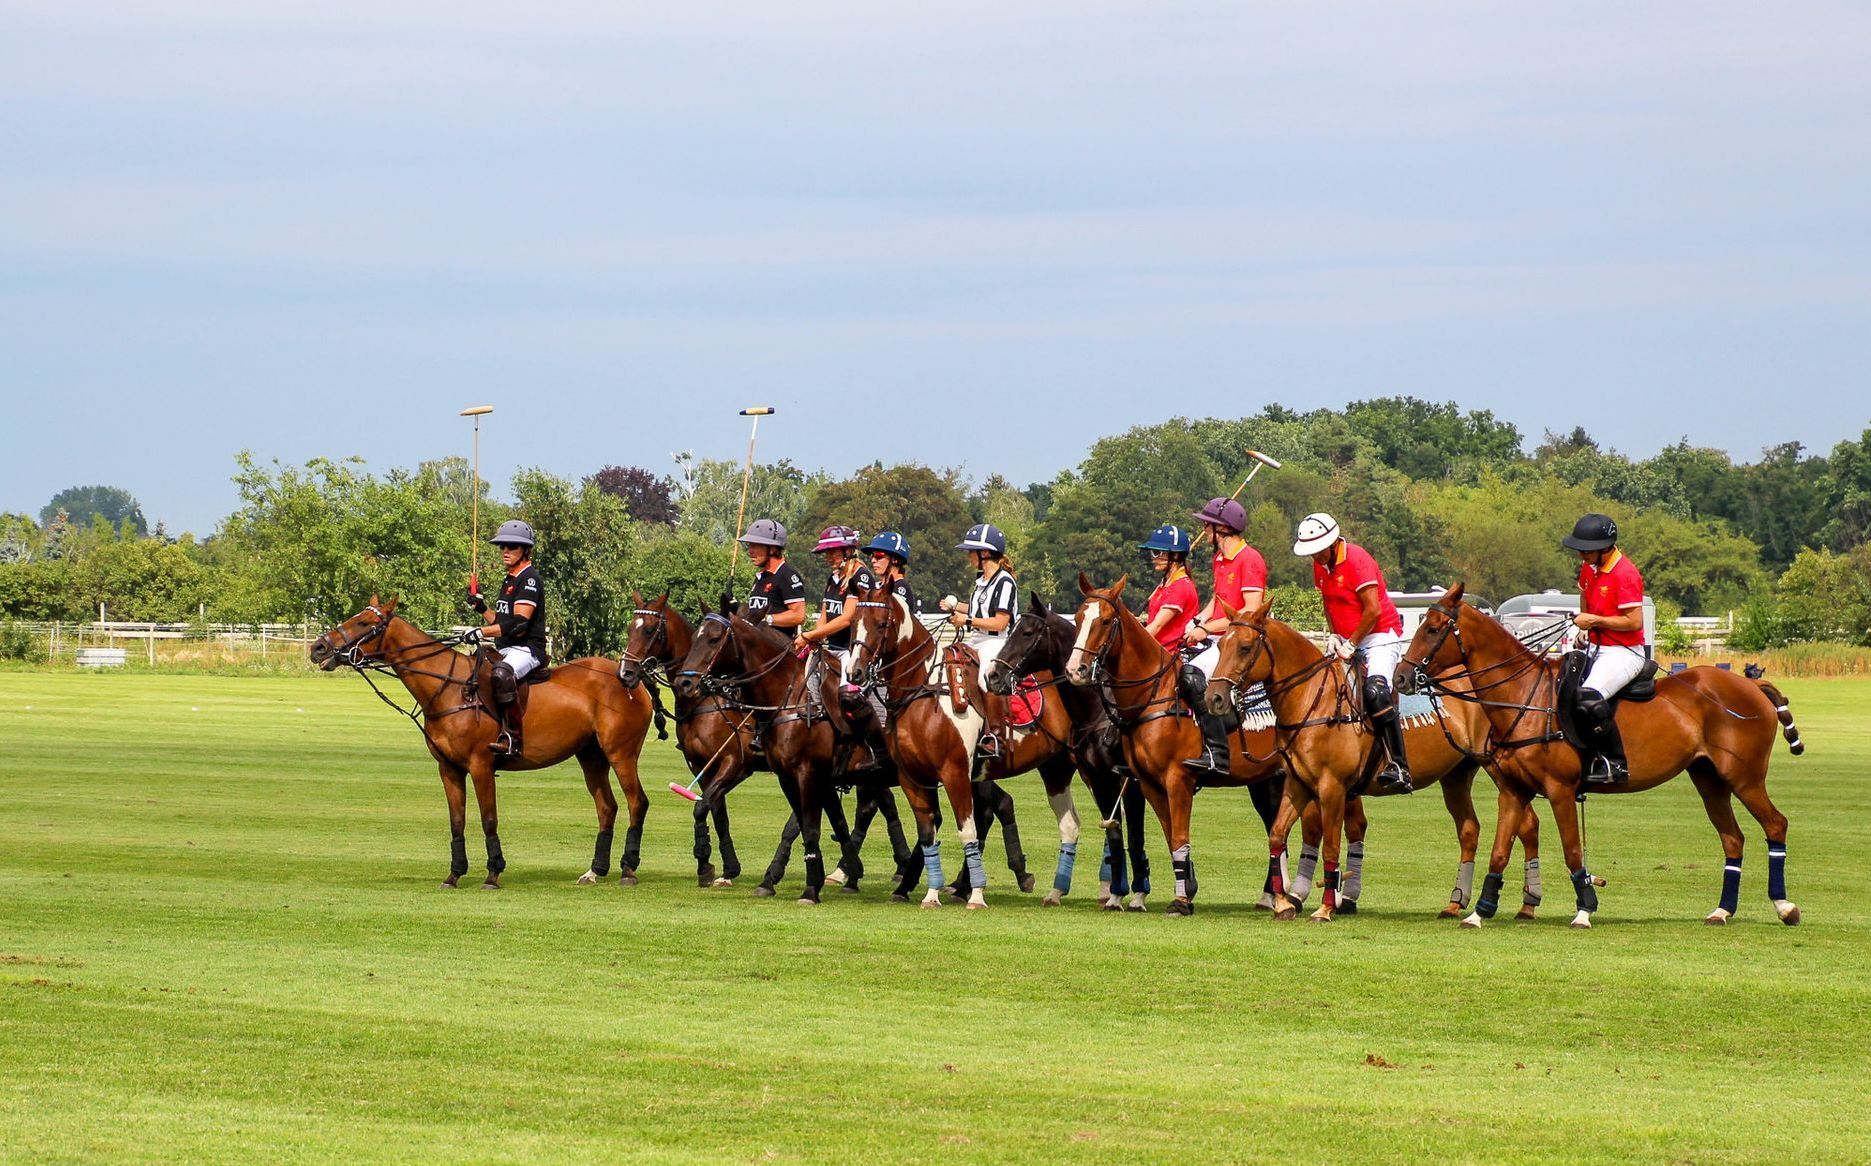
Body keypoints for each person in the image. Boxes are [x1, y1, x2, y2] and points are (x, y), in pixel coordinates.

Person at [1294, 512, 1412, 795]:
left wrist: (1352, 642)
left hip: (1380, 635)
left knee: (1376, 692)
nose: (1314, 557)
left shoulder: (1357, 559)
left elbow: (1373, 610)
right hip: (1348, 638)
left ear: (1332, 543)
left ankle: (1399, 764)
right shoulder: (1320, 565)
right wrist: (1335, 635)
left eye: (1317, 550)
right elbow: (1329, 602)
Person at [1177, 498, 1269, 775]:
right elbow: (1217, 603)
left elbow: (1250, 611)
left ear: (1222, 529)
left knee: (1191, 675)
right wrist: (1198, 620)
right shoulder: (1219, 559)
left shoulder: (1250, 559)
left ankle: (1218, 753)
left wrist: (1206, 629)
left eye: (1208, 525)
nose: (1204, 530)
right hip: (1220, 636)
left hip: (1240, 642)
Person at [1563, 513, 1649, 785]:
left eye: (1586, 551)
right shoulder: (1590, 567)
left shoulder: (1626, 574)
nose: (1581, 556)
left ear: (1605, 547)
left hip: (1624, 651)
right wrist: (1583, 628)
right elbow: (1584, 595)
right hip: (1595, 647)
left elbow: (1634, 621)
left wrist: (1595, 621)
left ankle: (1615, 762)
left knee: (1588, 697)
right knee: (1558, 685)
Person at [466, 519, 547, 756]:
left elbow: (519, 624)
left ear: (525, 550)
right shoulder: (510, 579)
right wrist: (482, 609)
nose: (505, 551)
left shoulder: (529, 579)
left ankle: (513, 738)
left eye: (511, 546)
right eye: (502, 546)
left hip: (528, 649)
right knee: (474, 670)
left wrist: (480, 632)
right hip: (508, 647)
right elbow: (501, 623)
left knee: (501, 675)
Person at [945, 522, 1017, 758]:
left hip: (998, 642)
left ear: (985, 553)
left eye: (971, 551)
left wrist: (965, 621)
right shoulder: (982, 581)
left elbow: (999, 622)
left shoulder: (1004, 581)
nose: (968, 555)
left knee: (988, 678)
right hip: (977, 639)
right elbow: (978, 610)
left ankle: (995, 736)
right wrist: (956, 607)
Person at [737, 519, 806, 637]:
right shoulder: (761, 577)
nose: (750, 551)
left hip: (779, 647)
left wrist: (766, 620)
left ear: (773, 548)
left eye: (755, 546)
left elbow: (798, 615)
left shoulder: (787, 575)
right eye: (749, 546)